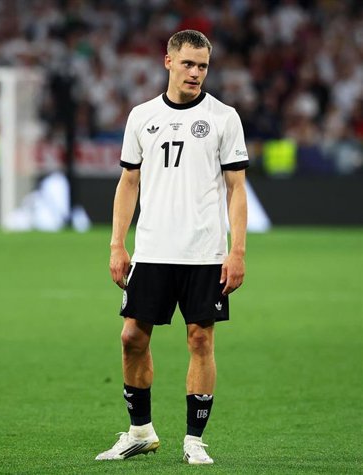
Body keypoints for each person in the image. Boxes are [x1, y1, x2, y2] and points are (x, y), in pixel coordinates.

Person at [95, 30, 248, 465]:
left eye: (202, 66)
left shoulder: (224, 118)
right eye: (188, 64)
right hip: (152, 250)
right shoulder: (142, 116)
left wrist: (236, 251)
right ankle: (140, 432)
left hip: (203, 253)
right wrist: (116, 245)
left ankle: (194, 440)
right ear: (168, 61)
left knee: (200, 339)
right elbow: (128, 183)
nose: (196, 73)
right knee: (131, 339)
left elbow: (237, 189)